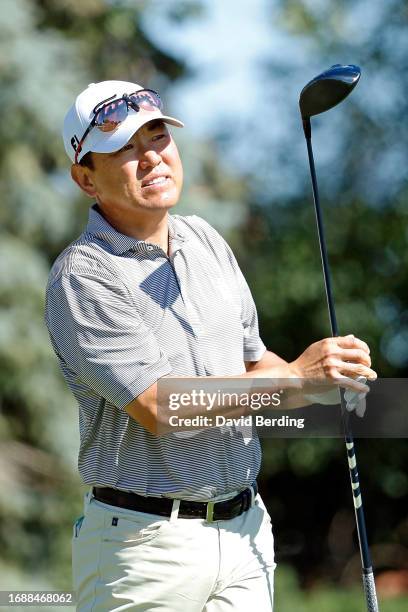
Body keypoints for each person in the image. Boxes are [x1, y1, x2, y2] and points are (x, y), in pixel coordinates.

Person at [45, 80, 376, 611]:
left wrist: (318, 385)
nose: (151, 158)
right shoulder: (83, 276)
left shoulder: (205, 240)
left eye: (157, 138)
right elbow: (160, 405)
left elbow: (255, 366)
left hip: (245, 532)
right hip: (145, 549)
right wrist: (294, 377)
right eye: (125, 148)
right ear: (85, 178)